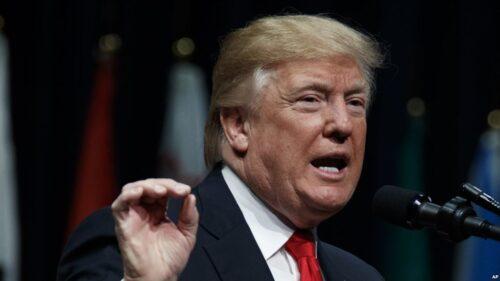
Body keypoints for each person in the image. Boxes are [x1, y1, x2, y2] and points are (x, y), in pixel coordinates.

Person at [57, 14, 384, 281]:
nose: (343, 124)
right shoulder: (137, 243)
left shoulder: (360, 276)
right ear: (238, 125)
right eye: (310, 100)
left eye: (355, 103)